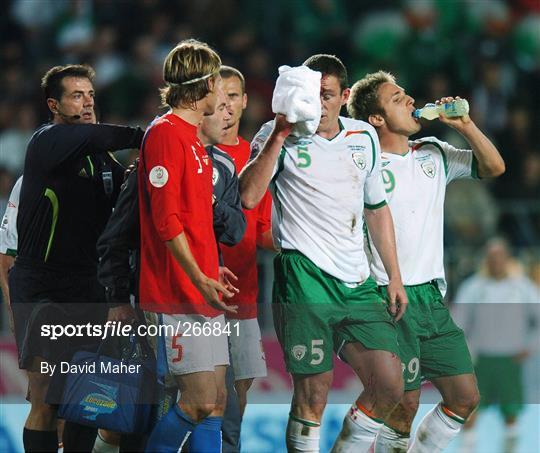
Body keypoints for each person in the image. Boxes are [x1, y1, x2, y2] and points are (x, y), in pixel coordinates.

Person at [240, 54, 408, 453]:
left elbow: (377, 209)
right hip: (304, 274)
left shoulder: (363, 137)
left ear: (345, 96)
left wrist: (394, 276)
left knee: (389, 385)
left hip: (357, 278)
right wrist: (280, 134)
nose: (318, 104)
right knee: (314, 393)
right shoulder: (277, 133)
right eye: (312, 95)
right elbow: (247, 197)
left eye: (328, 96)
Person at [347, 70, 505, 453]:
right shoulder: (361, 165)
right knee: (405, 406)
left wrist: (465, 125)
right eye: (396, 97)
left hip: (431, 297)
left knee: (464, 397)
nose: (409, 100)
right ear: (376, 118)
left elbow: (494, 167)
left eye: (406, 93)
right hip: (386, 295)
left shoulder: (433, 151)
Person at [9, 64, 143, 453]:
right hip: (44, 288)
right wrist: (148, 134)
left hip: (88, 287)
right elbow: (95, 135)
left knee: (85, 398)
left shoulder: (105, 164)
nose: (87, 103)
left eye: (91, 95)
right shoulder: (47, 142)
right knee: (48, 395)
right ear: (54, 104)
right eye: (76, 96)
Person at [139, 39, 237, 453]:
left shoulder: (194, 140)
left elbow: (195, 221)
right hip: (177, 291)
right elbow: (166, 221)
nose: (222, 93)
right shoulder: (165, 135)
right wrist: (197, 274)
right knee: (196, 402)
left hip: (201, 285)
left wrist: (211, 266)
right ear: (204, 86)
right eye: (218, 82)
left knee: (216, 403)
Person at [216, 65, 274, 452]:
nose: (226, 106)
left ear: (245, 101)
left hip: (243, 294)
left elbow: (265, 231)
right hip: (193, 297)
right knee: (203, 396)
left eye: (233, 97)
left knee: (239, 391)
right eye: (219, 98)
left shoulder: (257, 157)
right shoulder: (190, 151)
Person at [454, 238, 539, 453]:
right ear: (486, 259)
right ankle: (467, 447)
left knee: (511, 410)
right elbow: (457, 322)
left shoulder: (523, 288)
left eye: (500, 256)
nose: (496, 262)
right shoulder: (474, 287)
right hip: (481, 359)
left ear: (508, 258)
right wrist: (464, 352)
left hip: (511, 359)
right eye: (492, 257)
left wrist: (532, 345)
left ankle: (510, 447)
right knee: (472, 407)